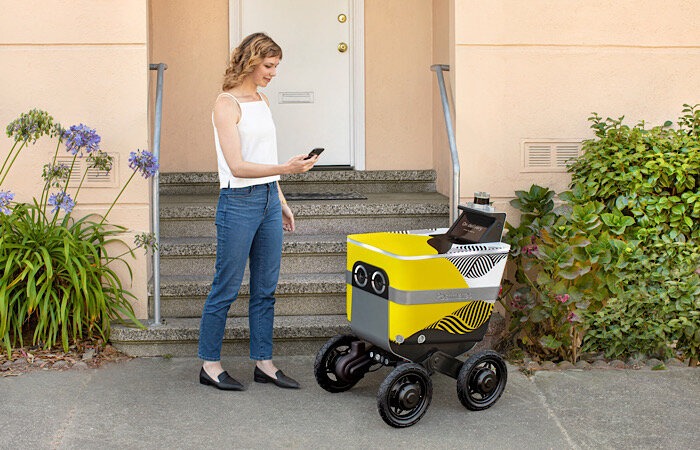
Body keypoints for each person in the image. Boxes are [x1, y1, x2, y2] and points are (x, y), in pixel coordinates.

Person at [198, 32, 318, 391]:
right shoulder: (225, 104)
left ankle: (263, 362)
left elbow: (264, 158)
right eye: (269, 65)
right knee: (226, 286)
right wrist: (286, 168)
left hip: (266, 200)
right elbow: (237, 165)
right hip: (238, 202)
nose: (273, 72)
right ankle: (210, 364)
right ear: (250, 62)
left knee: (265, 288)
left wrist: (280, 200)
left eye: (276, 66)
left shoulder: (262, 100)